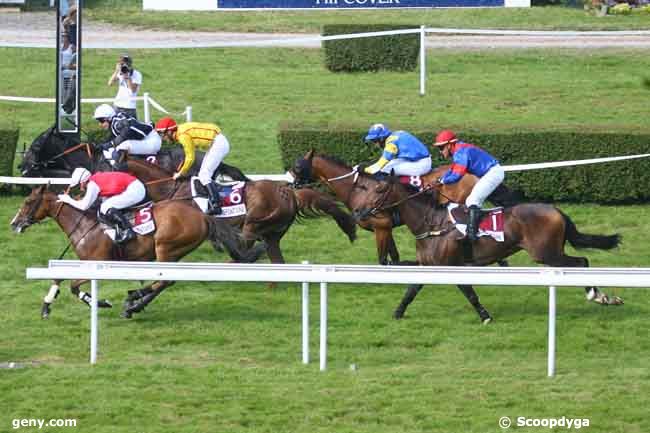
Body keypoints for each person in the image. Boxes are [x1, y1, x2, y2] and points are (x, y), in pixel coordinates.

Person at [433, 129, 505, 242]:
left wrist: (443, 181)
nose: (440, 151)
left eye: (441, 148)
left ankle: (471, 234)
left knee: (472, 200)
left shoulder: (461, 152)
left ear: (449, 145)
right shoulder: (459, 150)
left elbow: (457, 175)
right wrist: (442, 179)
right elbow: (452, 170)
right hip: (489, 173)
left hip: (492, 173)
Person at [155, 117, 230, 215]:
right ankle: (214, 200)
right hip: (216, 142)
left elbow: (190, 157)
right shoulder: (180, 132)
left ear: (169, 131)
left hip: (218, 144)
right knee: (203, 173)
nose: (163, 138)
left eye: (162, 135)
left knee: (204, 175)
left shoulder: (182, 136)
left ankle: (217, 205)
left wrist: (180, 173)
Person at [56, 167, 146, 244]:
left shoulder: (92, 185)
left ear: (83, 181)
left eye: (79, 185)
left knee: (105, 207)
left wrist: (68, 199)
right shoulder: (94, 179)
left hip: (135, 190)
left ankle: (128, 231)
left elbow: (84, 206)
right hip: (134, 186)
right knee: (104, 205)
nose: (80, 187)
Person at [94, 104, 161, 166]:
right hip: (149, 138)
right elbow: (112, 138)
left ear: (108, 118)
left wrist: (108, 144)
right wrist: (100, 145)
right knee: (116, 147)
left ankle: (121, 172)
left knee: (118, 150)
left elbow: (125, 133)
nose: (100, 124)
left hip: (151, 141)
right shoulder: (115, 121)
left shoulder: (117, 123)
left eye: (101, 121)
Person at [362, 123, 432, 177]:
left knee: (385, 170)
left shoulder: (391, 142)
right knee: (388, 165)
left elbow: (383, 161)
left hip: (421, 164)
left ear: (381, 138)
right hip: (417, 160)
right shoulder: (396, 134)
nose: (375, 144)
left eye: (375, 141)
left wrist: (366, 170)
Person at [108, 53, 142, 119]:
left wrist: (127, 77)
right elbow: (110, 83)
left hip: (129, 106)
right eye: (122, 63)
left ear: (130, 64)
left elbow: (133, 90)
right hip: (118, 105)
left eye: (125, 63)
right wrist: (116, 71)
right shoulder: (120, 72)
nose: (124, 65)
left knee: (132, 127)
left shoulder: (136, 74)